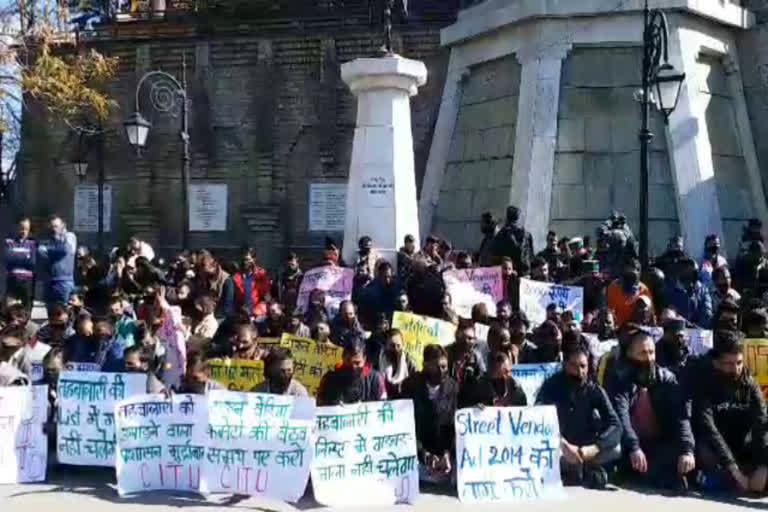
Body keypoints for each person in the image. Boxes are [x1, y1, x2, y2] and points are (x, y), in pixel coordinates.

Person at [606, 330, 695, 490]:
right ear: (630, 356)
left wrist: (687, 449)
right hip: (628, 444)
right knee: (615, 451)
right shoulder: (619, 379)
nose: (648, 358)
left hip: (658, 443)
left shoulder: (666, 379)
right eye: (642, 353)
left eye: (651, 352)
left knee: (688, 455)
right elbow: (621, 417)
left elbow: (680, 416)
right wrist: (634, 447)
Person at [537, 343, 621, 489]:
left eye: (583, 366)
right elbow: (537, 419)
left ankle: (580, 469)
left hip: (585, 451)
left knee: (616, 449)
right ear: (564, 365)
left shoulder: (594, 390)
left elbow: (615, 425)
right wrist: (562, 444)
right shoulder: (550, 387)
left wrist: (595, 447)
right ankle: (579, 470)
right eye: (574, 365)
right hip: (559, 449)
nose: (579, 371)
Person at [692, 330, 768, 494]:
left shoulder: (747, 380)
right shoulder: (703, 380)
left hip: (742, 443)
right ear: (716, 362)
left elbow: (761, 419)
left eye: (739, 362)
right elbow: (709, 428)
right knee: (707, 456)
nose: (736, 369)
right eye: (729, 364)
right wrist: (733, 469)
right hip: (714, 446)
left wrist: (763, 465)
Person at [401, 344, 458, 485]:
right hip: (417, 452)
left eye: (444, 367)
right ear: (425, 365)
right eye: (436, 367)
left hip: (444, 454)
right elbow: (405, 425)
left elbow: (453, 424)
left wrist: (447, 453)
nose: (440, 371)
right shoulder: (410, 386)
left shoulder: (453, 387)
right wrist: (423, 453)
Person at [316, 335, 386, 405]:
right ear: (343, 358)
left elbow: (383, 406)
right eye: (348, 361)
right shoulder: (330, 378)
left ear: (364, 359)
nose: (353, 367)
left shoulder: (375, 379)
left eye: (357, 363)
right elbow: (320, 406)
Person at [459, 351, 527, 408]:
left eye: (508, 371)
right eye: (499, 374)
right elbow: (464, 406)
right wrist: (474, 408)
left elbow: (523, 407)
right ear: (490, 370)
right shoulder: (477, 386)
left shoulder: (516, 386)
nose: (507, 376)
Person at [37, 214, 77, 310]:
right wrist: (56, 250)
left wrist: (52, 250)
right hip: (49, 283)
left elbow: (65, 250)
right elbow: (41, 252)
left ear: (63, 225)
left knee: (65, 312)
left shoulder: (70, 236)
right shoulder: (47, 240)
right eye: (51, 227)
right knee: (51, 313)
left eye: (56, 226)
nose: (53, 229)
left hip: (64, 283)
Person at [666, 258, 713, 329]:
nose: (689, 277)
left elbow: (707, 314)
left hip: (699, 331)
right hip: (677, 331)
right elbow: (669, 315)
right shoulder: (670, 290)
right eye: (686, 274)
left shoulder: (703, 290)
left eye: (693, 274)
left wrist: (698, 328)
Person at [606, 258, 653, 327]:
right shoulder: (614, 286)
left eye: (632, 276)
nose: (629, 279)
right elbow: (610, 311)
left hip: (637, 327)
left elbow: (650, 315)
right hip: (618, 327)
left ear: (638, 275)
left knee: (643, 303)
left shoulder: (644, 289)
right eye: (627, 276)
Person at [4, 216, 36, 311]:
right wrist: (25, 257)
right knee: (10, 308)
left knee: (27, 309)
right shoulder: (9, 242)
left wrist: (16, 256)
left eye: (26, 229)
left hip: (28, 281)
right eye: (21, 228)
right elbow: (8, 259)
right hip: (12, 280)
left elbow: (33, 263)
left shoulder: (33, 243)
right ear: (17, 227)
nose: (23, 231)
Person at [358, 261, 401, 328]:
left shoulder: (396, 288)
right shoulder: (369, 291)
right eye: (384, 277)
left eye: (389, 277)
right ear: (379, 275)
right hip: (374, 324)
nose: (387, 280)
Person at [492, 205, 534, 272]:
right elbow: (531, 256)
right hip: (524, 272)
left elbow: (494, 254)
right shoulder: (527, 234)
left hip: (507, 272)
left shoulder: (502, 233)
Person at [445, 320, 486, 390]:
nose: (466, 342)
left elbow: (482, 379)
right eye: (463, 338)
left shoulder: (476, 357)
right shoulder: (446, 353)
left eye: (470, 338)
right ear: (456, 336)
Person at [233, 247, 271, 319]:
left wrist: (256, 313)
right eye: (243, 260)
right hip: (241, 312)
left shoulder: (261, 274)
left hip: (258, 313)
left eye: (247, 259)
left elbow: (266, 297)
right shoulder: (237, 276)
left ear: (254, 259)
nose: (245, 262)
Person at [195, 250, 234, 319]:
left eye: (203, 266)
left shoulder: (227, 281)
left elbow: (227, 307)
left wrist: (212, 317)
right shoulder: (202, 277)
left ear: (214, 265)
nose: (201, 270)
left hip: (220, 317)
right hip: (203, 314)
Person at [378, 328, 417, 399]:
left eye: (398, 345)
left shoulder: (409, 362)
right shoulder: (378, 361)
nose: (396, 349)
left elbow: (416, 381)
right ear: (386, 345)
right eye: (392, 346)